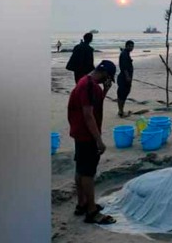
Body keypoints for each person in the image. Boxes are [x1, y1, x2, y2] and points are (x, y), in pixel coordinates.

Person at [67, 60, 117, 224]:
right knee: (88, 172)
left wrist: (105, 91)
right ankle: (91, 211)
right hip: (86, 135)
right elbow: (88, 115)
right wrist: (98, 140)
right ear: (104, 73)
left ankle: (82, 203)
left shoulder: (87, 82)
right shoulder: (88, 85)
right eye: (108, 78)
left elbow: (93, 104)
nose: (107, 81)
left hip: (80, 133)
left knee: (81, 169)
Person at [117, 40, 134, 118]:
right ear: (126, 46)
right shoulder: (124, 54)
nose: (131, 48)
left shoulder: (126, 53)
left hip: (126, 77)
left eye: (132, 46)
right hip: (124, 78)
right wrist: (127, 76)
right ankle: (121, 111)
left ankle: (121, 110)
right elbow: (124, 67)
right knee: (122, 94)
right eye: (130, 46)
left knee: (124, 94)